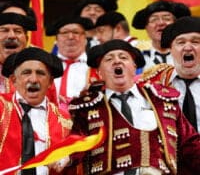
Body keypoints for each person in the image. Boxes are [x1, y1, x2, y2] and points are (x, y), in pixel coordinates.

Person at [66, 39, 200, 175]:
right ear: (99, 72)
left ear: (134, 67)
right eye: (108, 59)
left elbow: (190, 143)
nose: (117, 61)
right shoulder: (88, 108)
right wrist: (64, 158)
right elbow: (76, 145)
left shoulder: (162, 100)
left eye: (123, 57)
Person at [0, 47, 72, 174]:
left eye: (40, 73)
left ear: (50, 82)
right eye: (26, 72)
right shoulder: (1, 107)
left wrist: (68, 157)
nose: (33, 79)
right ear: (14, 80)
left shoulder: (65, 121)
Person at [141, 16, 200, 132]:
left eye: (195, 42)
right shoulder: (152, 83)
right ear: (171, 50)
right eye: (180, 42)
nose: (188, 47)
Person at [46, 15, 100, 105]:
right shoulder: (46, 66)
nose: (70, 37)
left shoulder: (96, 66)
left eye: (76, 32)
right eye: (65, 33)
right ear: (56, 40)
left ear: (85, 39)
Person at [132, 0, 191, 71]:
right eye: (154, 19)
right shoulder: (136, 56)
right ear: (146, 27)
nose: (161, 23)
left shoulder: (189, 52)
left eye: (167, 18)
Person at [51, 0, 118, 54]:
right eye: (87, 10)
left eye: (98, 10)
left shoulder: (114, 39)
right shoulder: (68, 40)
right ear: (80, 15)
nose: (92, 13)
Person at [0, 11, 36, 93]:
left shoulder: (39, 72)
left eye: (17, 31)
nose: (12, 36)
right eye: (4, 30)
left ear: (26, 39)